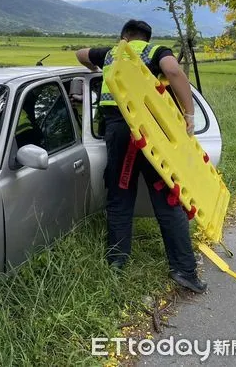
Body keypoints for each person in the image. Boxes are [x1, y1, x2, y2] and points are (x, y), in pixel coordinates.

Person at [75, 20, 206, 293]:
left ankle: (116, 263)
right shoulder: (156, 51)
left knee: (120, 198)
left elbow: (80, 54)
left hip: (119, 135)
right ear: (147, 38)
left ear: (123, 36)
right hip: (151, 136)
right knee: (168, 200)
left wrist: (99, 69)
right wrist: (189, 113)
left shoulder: (112, 53)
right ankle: (184, 270)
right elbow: (173, 70)